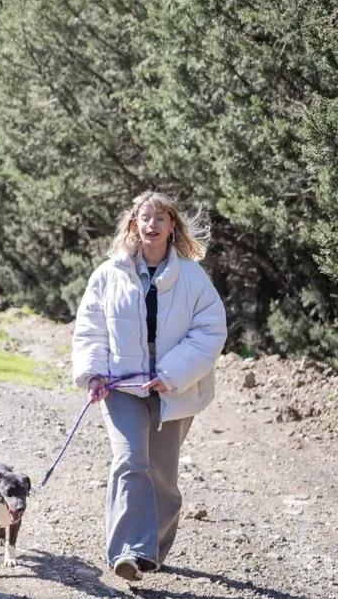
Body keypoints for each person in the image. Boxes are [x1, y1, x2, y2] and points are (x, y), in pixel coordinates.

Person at [71, 190, 226, 582]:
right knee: (129, 461)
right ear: (134, 225)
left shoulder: (192, 276)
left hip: (174, 387)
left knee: (161, 475)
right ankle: (128, 551)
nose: (152, 225)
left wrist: (171, 373)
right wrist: (92, 373)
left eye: (160, 218)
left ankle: (152, 550)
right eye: (145, 218)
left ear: (172, 225)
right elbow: (91, 329)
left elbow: (210, 330)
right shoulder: (109, 274)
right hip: (121, 388)